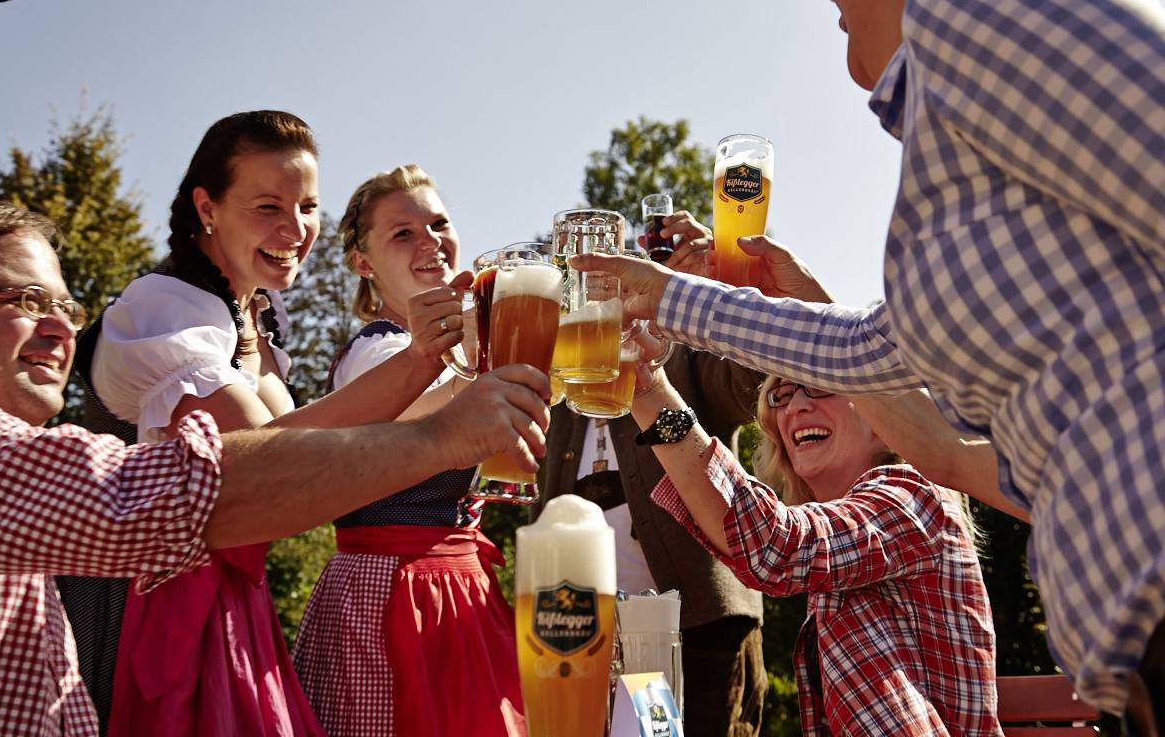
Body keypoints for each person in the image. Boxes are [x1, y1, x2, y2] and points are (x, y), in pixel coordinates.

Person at [575, 0, 1165, 726]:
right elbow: (879, 359)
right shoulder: (970, 168)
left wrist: (664, 316)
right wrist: (675, 334)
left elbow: (776, 539)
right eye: (783, 395)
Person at [0, 200, 551, 736]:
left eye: (65, 306)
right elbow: (186, 491)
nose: (62, 327)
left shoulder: (10, 457)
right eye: (24, 300)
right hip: (392, 596)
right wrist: (439, 436)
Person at [62, 113, 467, 736]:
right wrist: (425, 366)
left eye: (307, 206)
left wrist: (438, 359)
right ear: (208, 207)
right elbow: (268, 456)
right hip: (137, 604)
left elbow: (311, 443)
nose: (295, 229)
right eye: (268, 206)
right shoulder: (163, 307)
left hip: (231, 600)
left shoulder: (255, 317)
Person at [628, 357, 999, 735]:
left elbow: (774, 545)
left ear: (888, 415)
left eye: (821, 384)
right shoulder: (843, 546)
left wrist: (649, 391)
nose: (796, 406)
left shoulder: (911, 498)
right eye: (782, 395)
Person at [292, 165, 524, 736]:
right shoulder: (378, 352)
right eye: (403, 233)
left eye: (439, 223)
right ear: (363, 263)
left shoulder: (454, 354)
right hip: (394, 591)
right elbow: (408, 415)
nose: (430, 241)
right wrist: (512, 345)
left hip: (457, 579)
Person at [538, 211, 766, 737]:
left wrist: (722, 291)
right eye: (580, 277)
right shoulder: (558, 366)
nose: (594, 289)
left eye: (607, 277)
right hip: (576, 634)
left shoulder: (676, 348)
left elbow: (753, 382)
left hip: (691, 629)